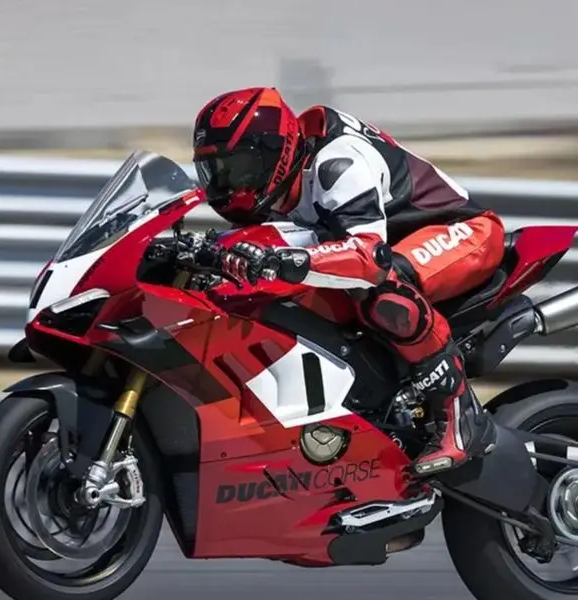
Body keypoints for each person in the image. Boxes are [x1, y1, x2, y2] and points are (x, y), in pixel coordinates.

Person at [191, 87, 504, 476]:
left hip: (460, 231)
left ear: (274, 152)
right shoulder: (279, 187)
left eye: (236, 169)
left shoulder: (337, 164)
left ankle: (459, 413)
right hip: (389, 241)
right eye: (216, 172)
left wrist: (288, 260)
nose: (227, 186)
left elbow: (368, 258)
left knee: (384, 293)